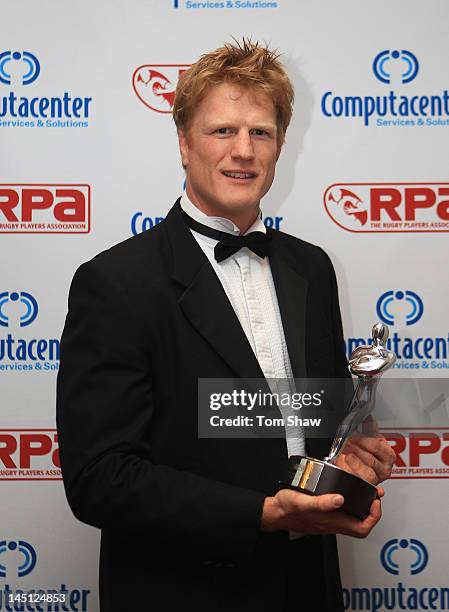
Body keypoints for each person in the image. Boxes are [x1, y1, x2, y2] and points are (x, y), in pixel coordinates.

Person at [56, 39, 395, 612]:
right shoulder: (114, 282)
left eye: (260, 132)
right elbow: (99, 478)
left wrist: (351, 451)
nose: (243, 151)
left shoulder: (312, 267)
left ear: (281, 145)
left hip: (305, 588)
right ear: (185, 143)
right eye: (222, 132)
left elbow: (315, 418)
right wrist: (261, 514)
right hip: (182, 591)